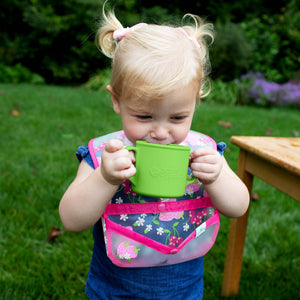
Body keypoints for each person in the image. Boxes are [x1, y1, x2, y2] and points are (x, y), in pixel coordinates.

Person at [59, 7, 249, 300]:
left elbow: (238, 207)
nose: (160, 132)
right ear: (117, 101)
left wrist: (218, 176)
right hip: (113, 291)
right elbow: (71, 220)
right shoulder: (105, 155)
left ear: (195, 103)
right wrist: (105, 178)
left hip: (183, 292)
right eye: (144, 117)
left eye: (177, 118)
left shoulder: (203, 152)